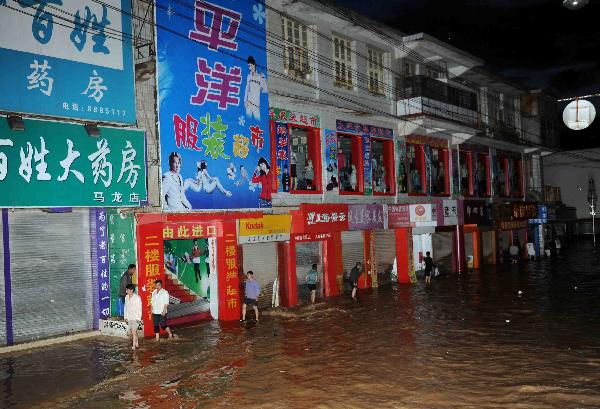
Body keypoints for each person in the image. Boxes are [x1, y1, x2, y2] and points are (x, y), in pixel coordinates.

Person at [244, 55, 267, 120]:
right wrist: (245, 100)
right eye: (249, 66)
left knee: (258, 120)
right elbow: (247, 88)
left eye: (251, 65)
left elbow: (264, 89)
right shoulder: (249, 76)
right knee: (247, 121)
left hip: (256, 104)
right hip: (249, 102)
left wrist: (263, 78)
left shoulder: (260, 76)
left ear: (254, 65)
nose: (250, 67)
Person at [124, 284, 142, 350]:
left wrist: (138, 318)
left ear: (131, 290)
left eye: (127, 290)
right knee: (133, 331)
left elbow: (139, 308)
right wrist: (125, 317)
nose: (126, 291)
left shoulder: (137, 298)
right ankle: (137, 342)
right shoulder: (126, 297)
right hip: (129, 317)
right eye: (126, 290)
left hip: (135, 317)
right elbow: (125, 308)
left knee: (134, 332)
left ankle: (133, 346)